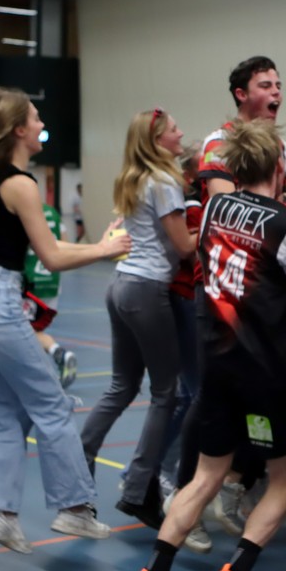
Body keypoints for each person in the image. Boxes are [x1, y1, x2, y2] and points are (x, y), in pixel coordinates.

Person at [118, 119, 286, 571]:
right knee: (284, 477)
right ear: (279, 167)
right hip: (268, 372)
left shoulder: (212, 210)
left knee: (207, 475)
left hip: (217, 364)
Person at [0, 84, 129, 554]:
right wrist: (104, 250)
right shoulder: (21, 184)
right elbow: (53, 258)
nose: (42, 125)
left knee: (10, 407)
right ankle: (74, 507)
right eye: (35, 118)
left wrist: (101, 246)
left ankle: (0, 511)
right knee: (52, 404)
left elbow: (44, 247)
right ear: (19, 130)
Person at [169, 56, 286, 536]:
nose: (276, 91)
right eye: (265, 84)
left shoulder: (280, 144)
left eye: (278, 84)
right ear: (242, 94)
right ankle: (186, 496)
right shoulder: (219, 143)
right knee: (212, 394)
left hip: (266, 286)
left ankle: (237, 484)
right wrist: (285, 220)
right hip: (224, 283)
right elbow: (226, 209)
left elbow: (277, 203)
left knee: (263, 386)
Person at [80, 107, 196, 530]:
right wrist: (218, 225)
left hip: (121, 284)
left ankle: (80, 460)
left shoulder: (135, 177)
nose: (180, 133)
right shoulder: (164, 181)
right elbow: (184, 247)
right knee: (167, 392)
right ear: (157, 140)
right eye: (174, 129)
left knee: (122, 385)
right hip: (146, 289)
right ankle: (138, 487)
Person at [23, 199, 77, 388]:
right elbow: (65, 244)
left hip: (30, 281)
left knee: (21, 330)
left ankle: (58, 353)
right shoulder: (53, 213)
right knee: (32, 331)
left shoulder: (24, 211)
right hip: (52, 281)